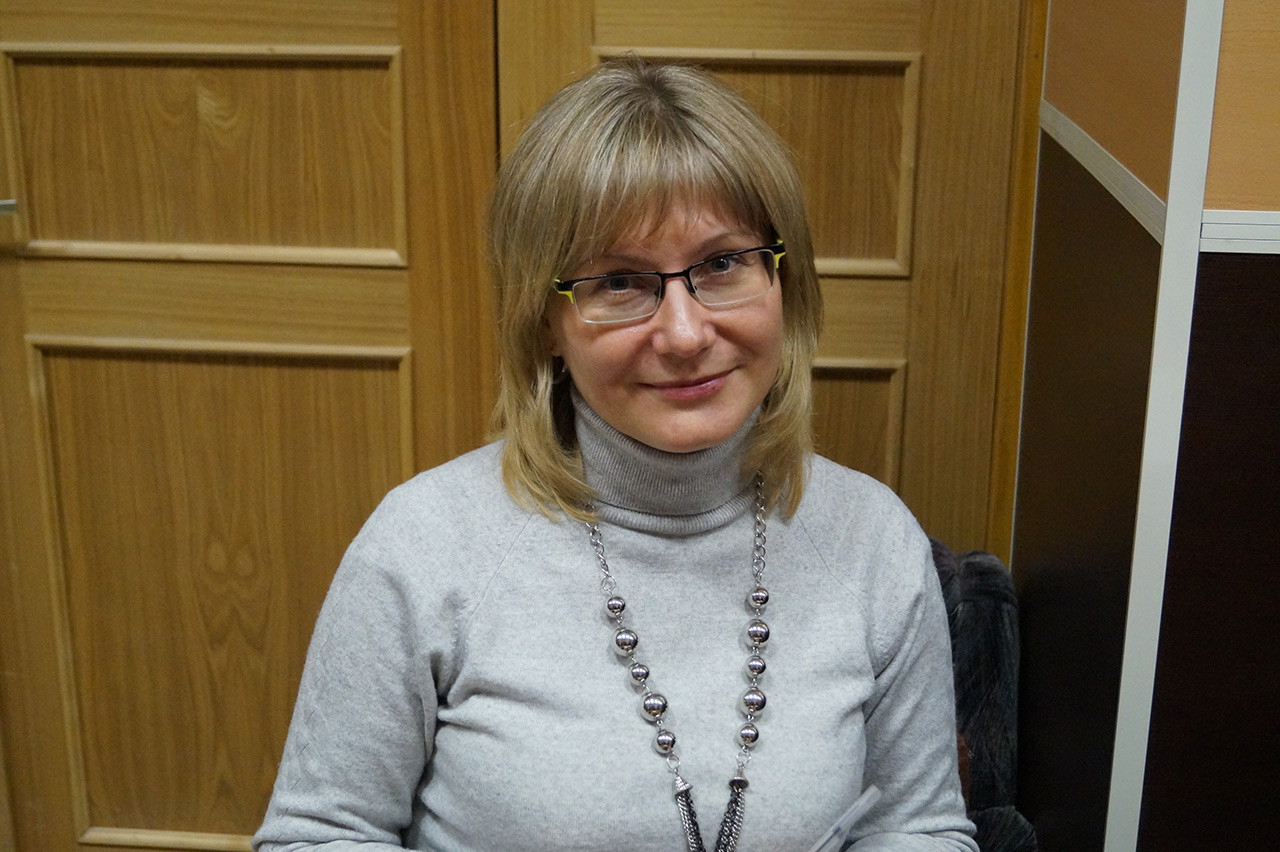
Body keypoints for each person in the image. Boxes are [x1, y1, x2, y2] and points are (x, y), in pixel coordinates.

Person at [253, 57, 976, 852]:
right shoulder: (421, 546)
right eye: (621, 283)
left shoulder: (873, 540)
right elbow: (317, 835)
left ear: (785, 282)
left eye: (722, 264)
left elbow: (921, 828)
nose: (685, 334)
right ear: (544, 323)